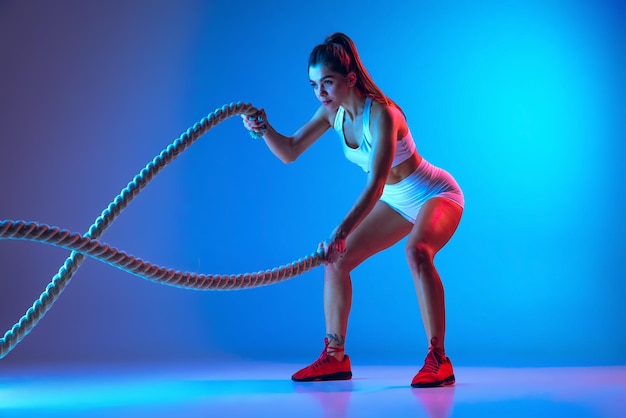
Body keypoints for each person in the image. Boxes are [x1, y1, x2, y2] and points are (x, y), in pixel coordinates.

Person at [241, 32, 464, 388]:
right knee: (337, 261)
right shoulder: (333, 114)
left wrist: (340, 231)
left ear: (350, 79)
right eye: (314, 85)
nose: (321, 93)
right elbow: (290, 151)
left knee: (417, 251)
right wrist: (264, 128)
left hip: (434, 194)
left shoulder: (384, 115)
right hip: (396, 202)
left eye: (327, 83)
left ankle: (439, 359)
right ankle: (335, 357)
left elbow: (376, 184)